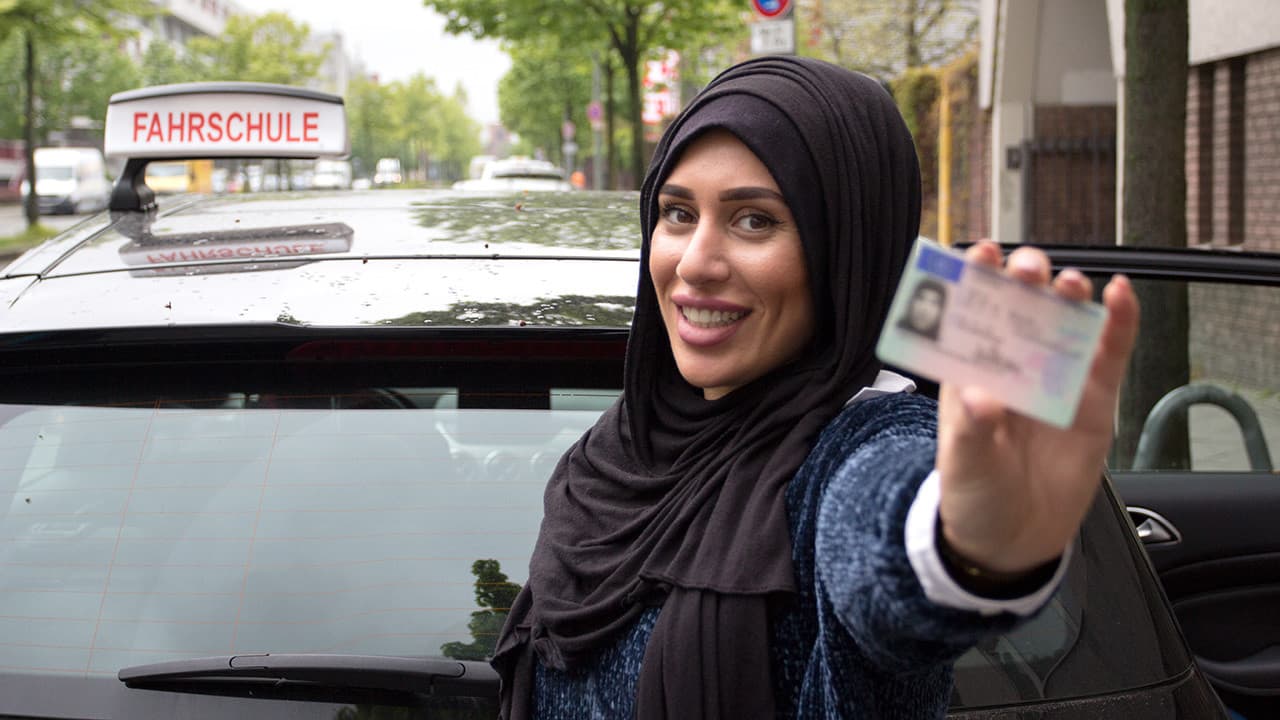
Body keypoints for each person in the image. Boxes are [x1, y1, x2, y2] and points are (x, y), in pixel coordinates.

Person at [492, 56, 1139, 719]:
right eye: (678, 212)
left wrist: (966, 547)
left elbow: (878, 529)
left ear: (843, 246)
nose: (694, 262)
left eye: (754, 221)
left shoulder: (860, 443)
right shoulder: (624, 441)